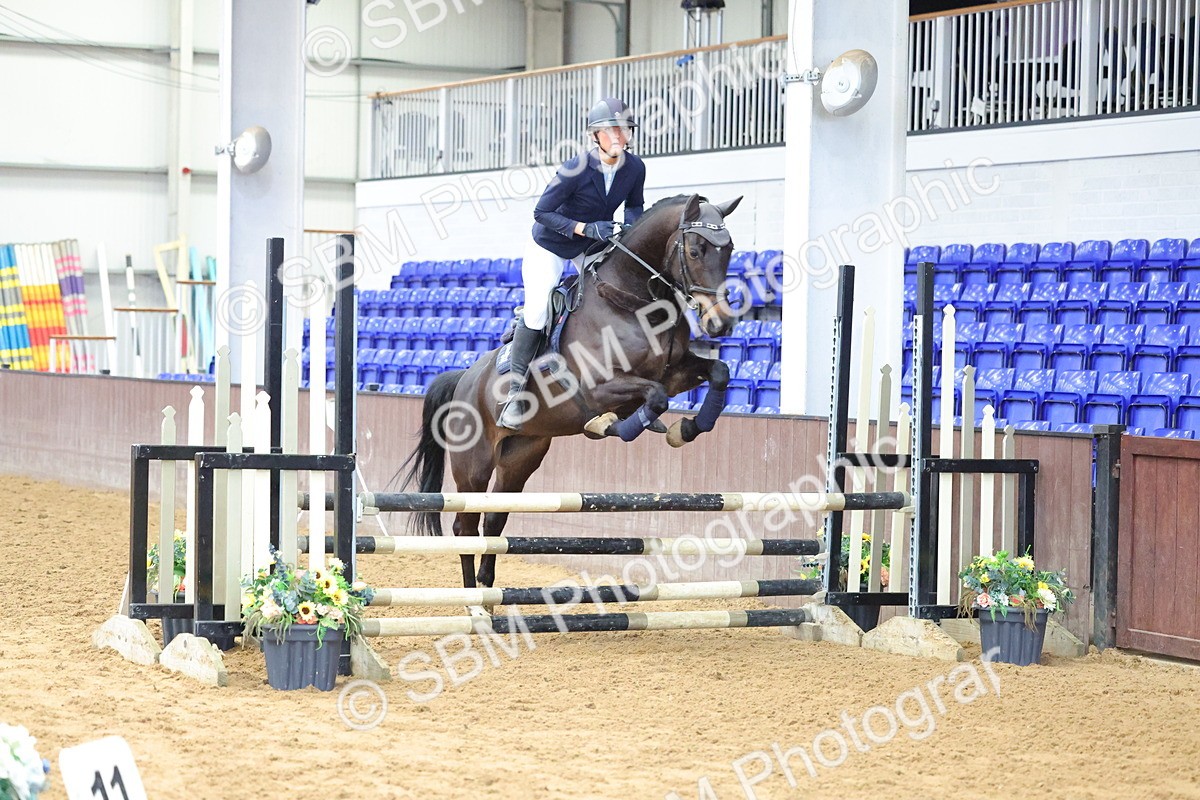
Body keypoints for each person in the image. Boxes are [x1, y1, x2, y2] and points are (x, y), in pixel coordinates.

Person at [498, 97, 647, 431]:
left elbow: (635, 207)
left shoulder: (635, 168)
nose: (619, 137)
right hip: (550, 243)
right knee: (537, 311)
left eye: (623, 131)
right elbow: (542, 212)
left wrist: (629, 234)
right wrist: (583, 227)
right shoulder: (574, 169)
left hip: (592, 244)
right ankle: (515, 392)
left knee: (613, 293)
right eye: (612, 131)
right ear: (595, 135)